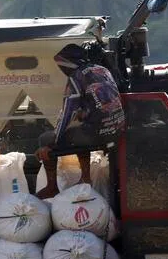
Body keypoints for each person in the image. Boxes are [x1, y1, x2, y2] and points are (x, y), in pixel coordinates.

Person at [36, 43, 126, 199]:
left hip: (97, 133)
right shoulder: (102, 70)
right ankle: (85, 178)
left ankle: (52, 186)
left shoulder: (76, 76)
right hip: (116, 129)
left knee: (46, 138)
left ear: (69, 63)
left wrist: (53, 141)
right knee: (78, 130)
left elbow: (68, 111)